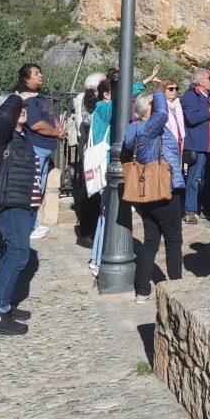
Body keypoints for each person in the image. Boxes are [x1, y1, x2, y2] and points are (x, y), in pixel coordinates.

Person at [123, 90, 184, 304]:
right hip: (163, 190)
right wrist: (158, 92)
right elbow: (163, 113)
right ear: (146, 106)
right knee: (173, 243)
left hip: (144, 193)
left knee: (150, 242)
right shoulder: (150, 128)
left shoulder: (132, 129)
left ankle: (142, 290)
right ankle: (177, 289)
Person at [0, 94, 37, 335]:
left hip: (22, 203)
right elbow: (5, 114)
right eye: (19, 107)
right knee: (17, 255)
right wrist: (18, 96)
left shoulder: (20, 136)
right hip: (10, 203)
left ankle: (7, 307)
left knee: (14, 254)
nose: (23, 109)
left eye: (25, 107)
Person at [14, 64, 65, 239]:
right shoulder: (26, 99)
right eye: (36, 74)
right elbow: (35, 124)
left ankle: (34, 223)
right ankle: (29, 225)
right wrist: (56, 132)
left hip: (46, 147)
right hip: (36, 147)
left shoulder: (41, 96)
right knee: (33, 187)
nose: (41, 76)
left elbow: (51, 116)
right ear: (27, 78)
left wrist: (59, 127)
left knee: (40, 186)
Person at [180, 68, 210, 224]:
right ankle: (190, 210)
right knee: (194, 178)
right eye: (209, 79)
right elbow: (191, 118)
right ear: (200, 82)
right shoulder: (189, 97)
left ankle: (207, 208)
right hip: (197, 144)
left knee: (208, 179)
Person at [86, 78, 113, 275]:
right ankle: (98, 259)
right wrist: (141, 84)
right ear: (106, 94)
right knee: (107, 214)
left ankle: (96, 258)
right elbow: (122, 104)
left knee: (105, 214)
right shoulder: (104, 108)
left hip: (105, 165)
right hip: (106, 166)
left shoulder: (100, 108)